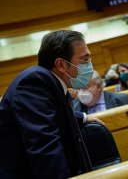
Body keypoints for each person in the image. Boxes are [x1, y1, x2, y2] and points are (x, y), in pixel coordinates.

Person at [0, 30, 99, 178]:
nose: (89, 65)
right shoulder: (34, 83)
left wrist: (83, 117)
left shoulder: (53, 82)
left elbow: (47, 113)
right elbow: (45, 148)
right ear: (61, 65)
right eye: (84, 59)